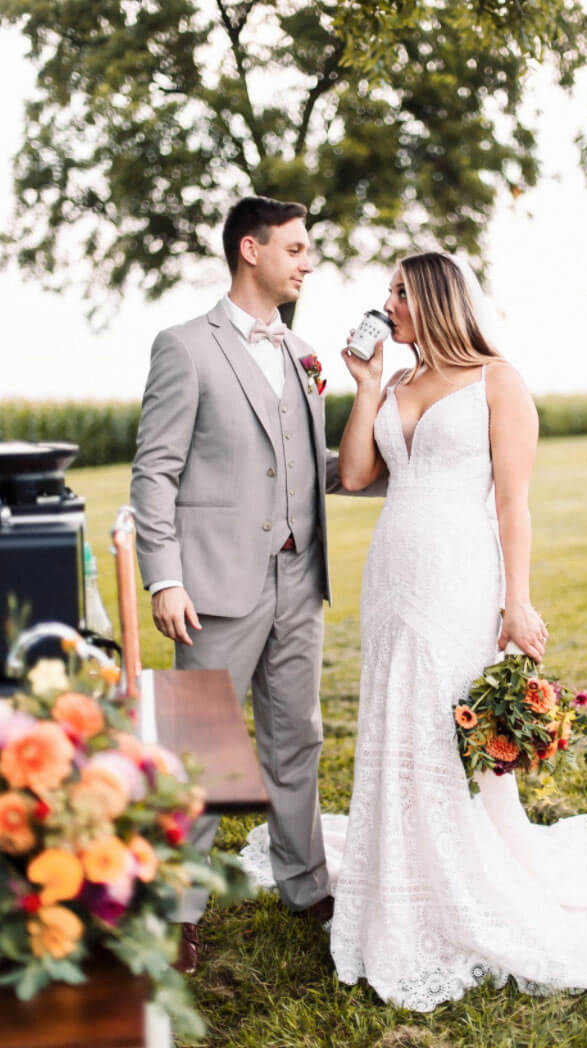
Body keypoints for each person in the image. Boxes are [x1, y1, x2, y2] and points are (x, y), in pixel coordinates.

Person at [244, 251, 587, 1010]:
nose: (388, 307)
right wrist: (368, 384)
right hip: (392, 571)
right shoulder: (400, 380)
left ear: (438, 299)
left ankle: (462, 880)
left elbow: (514, 504)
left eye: (401, 294)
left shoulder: (497, 381)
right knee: (397, 715)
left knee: (447, 719)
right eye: (388, 294)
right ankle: (398, 874)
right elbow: (351, 476)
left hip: (459, 571)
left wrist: (518, 602)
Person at [131, 195, 344, 974]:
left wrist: (375, 466)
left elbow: (301, 468)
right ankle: (181, 912)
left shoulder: (305, 354)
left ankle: (306, 883)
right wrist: (165, 578)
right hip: (212, 585)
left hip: (300, 577)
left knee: (300, 738)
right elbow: (154, 472)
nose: (307, 261)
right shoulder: (185, 347)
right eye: (295, 248)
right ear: (250, 250)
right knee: (203, 754)